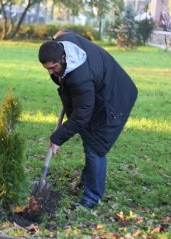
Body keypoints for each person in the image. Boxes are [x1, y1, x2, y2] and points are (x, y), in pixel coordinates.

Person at [38, 30, 138, 209]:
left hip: (115, 99)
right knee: (88, 138)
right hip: (99, 90)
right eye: (47, 69)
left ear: (63, 57)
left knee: (95, 146)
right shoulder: (62, 42)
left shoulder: (80, 78)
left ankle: (92, 197)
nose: (51, 73)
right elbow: (65, 32)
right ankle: (86, 181)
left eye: (53, 68)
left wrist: (57, 138)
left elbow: (81, 116)